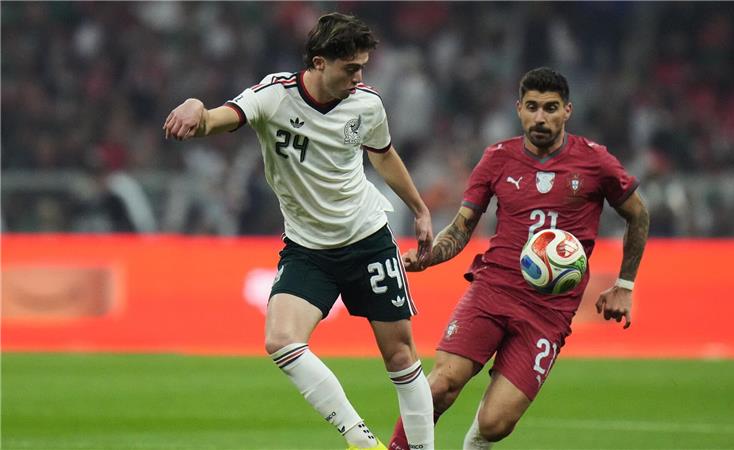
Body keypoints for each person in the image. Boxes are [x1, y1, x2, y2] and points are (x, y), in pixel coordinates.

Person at [163, 13, 435, 450]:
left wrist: (419, 209)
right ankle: (361, 440)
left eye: (362, 67)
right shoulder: (274, 96)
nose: (359, 76)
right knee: (281, 341)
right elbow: (217, 119)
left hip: (367, 239)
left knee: (401, 355)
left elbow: (383, 155)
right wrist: (196, 105)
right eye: (351, 68)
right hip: (308, 249)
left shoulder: (367, 103)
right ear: (319, 62)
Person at [389, 67, 650, 450]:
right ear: (519, 109)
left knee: (495, 424)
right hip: (493, 290)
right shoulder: (497, 159)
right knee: (442, 385)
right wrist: (430, 257)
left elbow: (638, 214)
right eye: (532, 107)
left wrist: (624, 285)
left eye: (550, 108)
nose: (540, 117)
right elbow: (463, 226)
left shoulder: (595, 161)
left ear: (567, 111)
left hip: (549, 312)